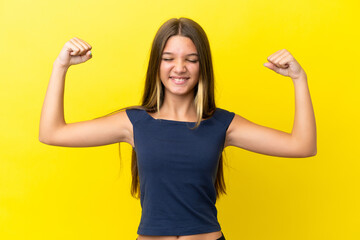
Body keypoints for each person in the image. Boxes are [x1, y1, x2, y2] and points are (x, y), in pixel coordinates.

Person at [39, 17, 317, 240]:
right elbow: (52, 133)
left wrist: (299, 79)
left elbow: (302, 146)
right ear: (156, 64)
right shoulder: (134, 122)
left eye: (191, 59)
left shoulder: (222, 124)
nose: (179, 68)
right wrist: (60, 66)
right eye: (168, 58)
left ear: (202, 66)